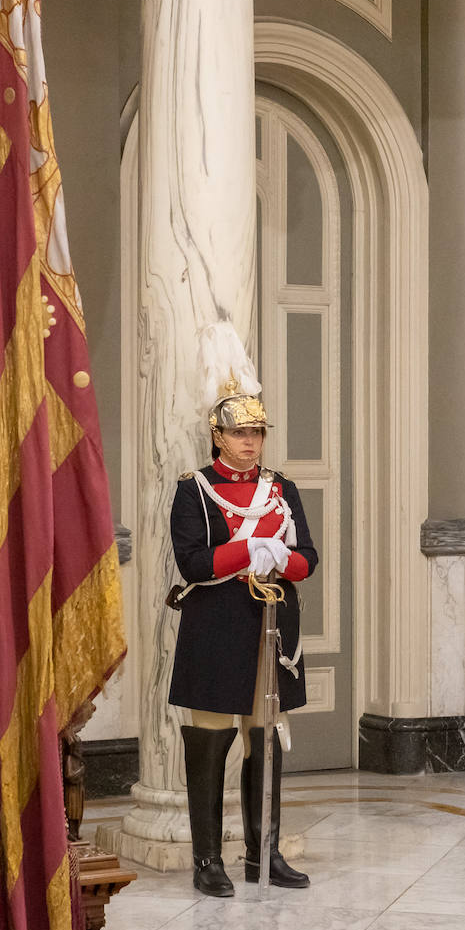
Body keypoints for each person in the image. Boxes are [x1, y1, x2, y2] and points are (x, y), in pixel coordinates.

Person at [169, 376, 317, 898]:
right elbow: (191, 562)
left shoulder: (283, 488)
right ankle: (207, 859)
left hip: (269, 629)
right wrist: (250, 546)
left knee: (265, 740)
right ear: (217, 436)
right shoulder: (194, 489)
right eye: (239, 433)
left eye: (257, 431)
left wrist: (282, 558)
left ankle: (264, 852)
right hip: (215, 627)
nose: (250, 442)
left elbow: (308, 561)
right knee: (210, 743)